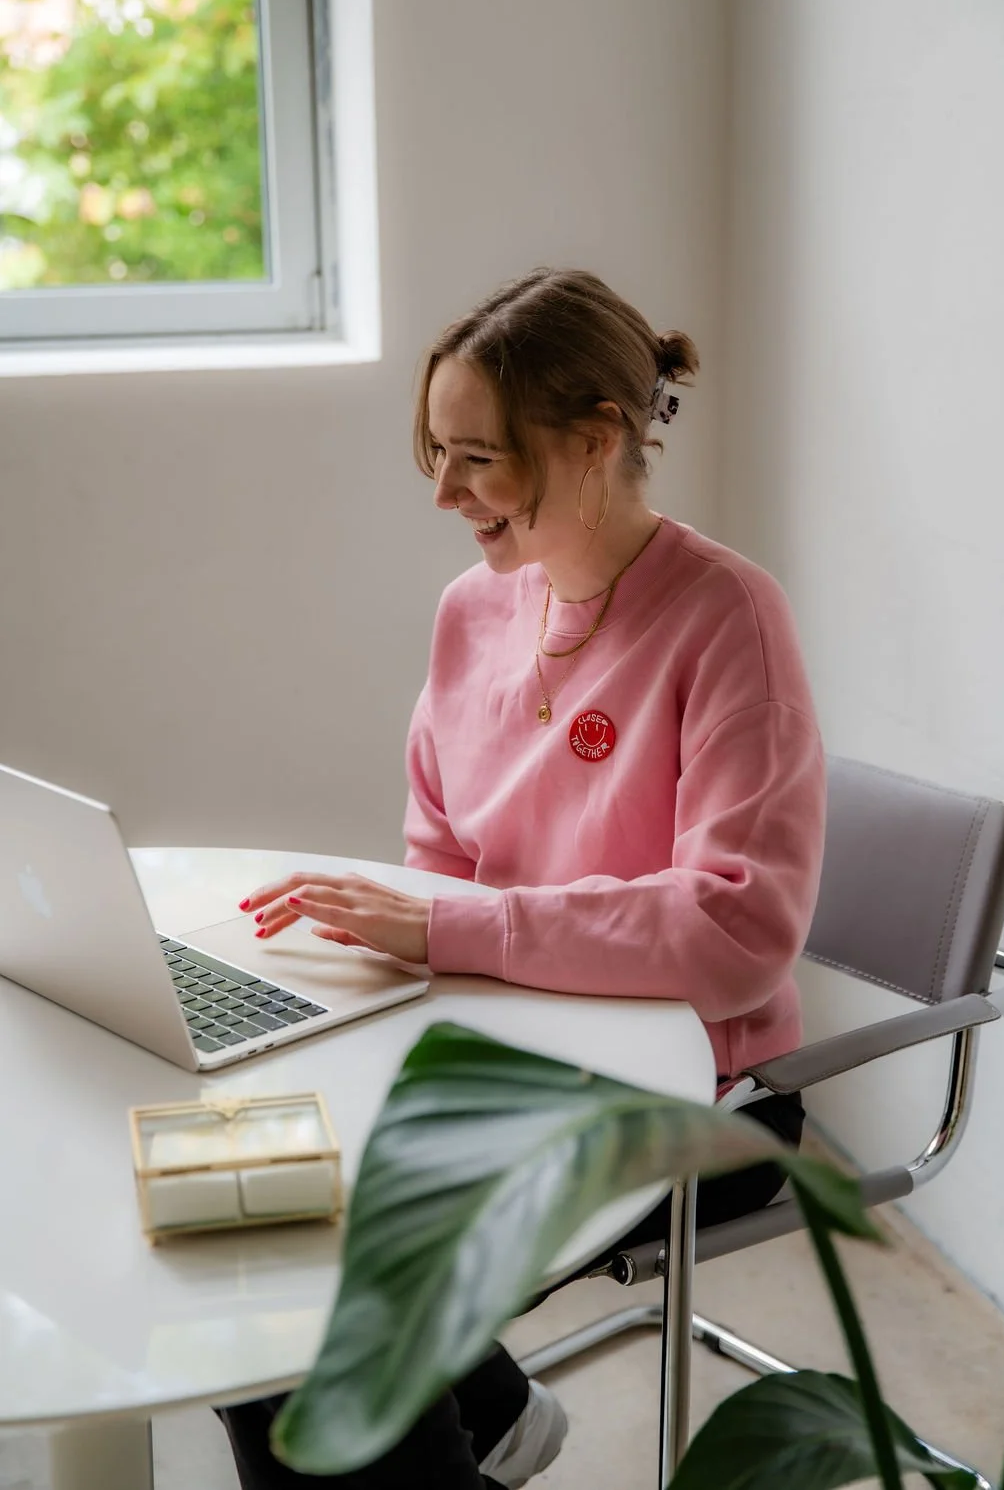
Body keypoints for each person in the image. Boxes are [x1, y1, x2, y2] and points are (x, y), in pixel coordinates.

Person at [219, 268, 827, 1488]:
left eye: (476, 459)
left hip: (699, 1090)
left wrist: (452, 933)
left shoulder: (726, 619)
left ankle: (476, 1425)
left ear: (596, 437)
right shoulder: (473, 610)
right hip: (506, 1042)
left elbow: (737, 928)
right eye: (435, 455)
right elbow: (440, 851)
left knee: (325, 1329)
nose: (443, 493)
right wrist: (391, 961)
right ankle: (491, 1421)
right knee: (254, 1219)